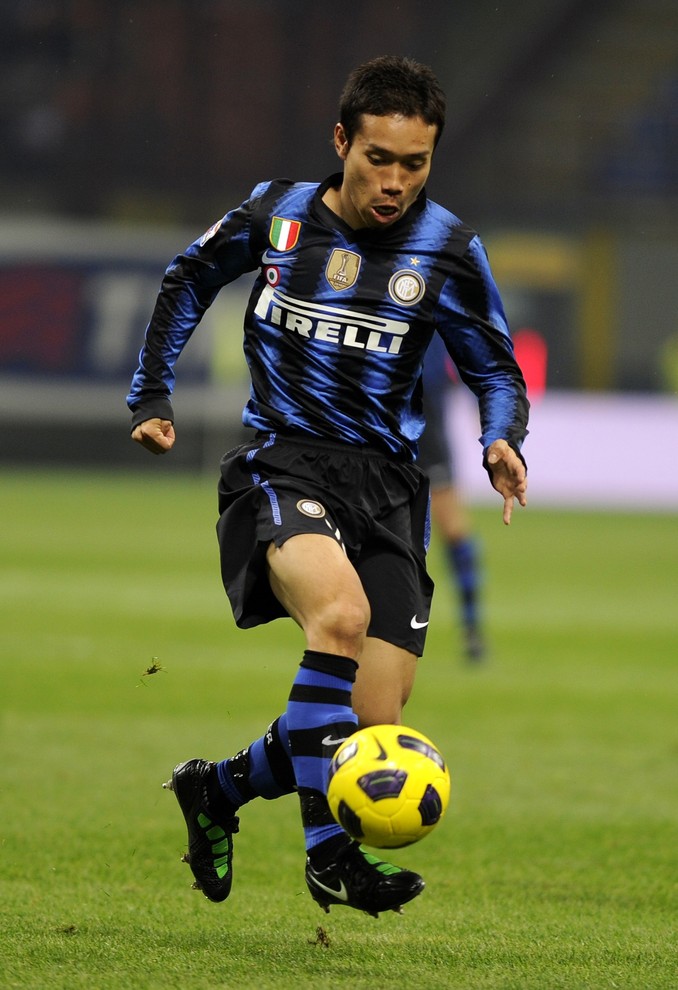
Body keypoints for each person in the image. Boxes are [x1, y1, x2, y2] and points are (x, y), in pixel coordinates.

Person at [127, 55, 529, 919]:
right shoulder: (277, 215)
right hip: (283, 462)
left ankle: (216, 789)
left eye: (415, 163)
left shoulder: (450, 249)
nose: (395, 182)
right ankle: (330, 852)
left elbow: (495, 367)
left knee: (371, 718)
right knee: (339, 619)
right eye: (378, 158)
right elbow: (189, 276)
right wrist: (151, 394)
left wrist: (503, 436)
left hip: (389, 487)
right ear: (342, 141)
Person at [419, 333, 486, 662]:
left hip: (428, 428)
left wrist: (483, 403)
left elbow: (469, 356)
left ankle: (471, 628)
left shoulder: (434, 317)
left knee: (454, 529)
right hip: (381, 429)